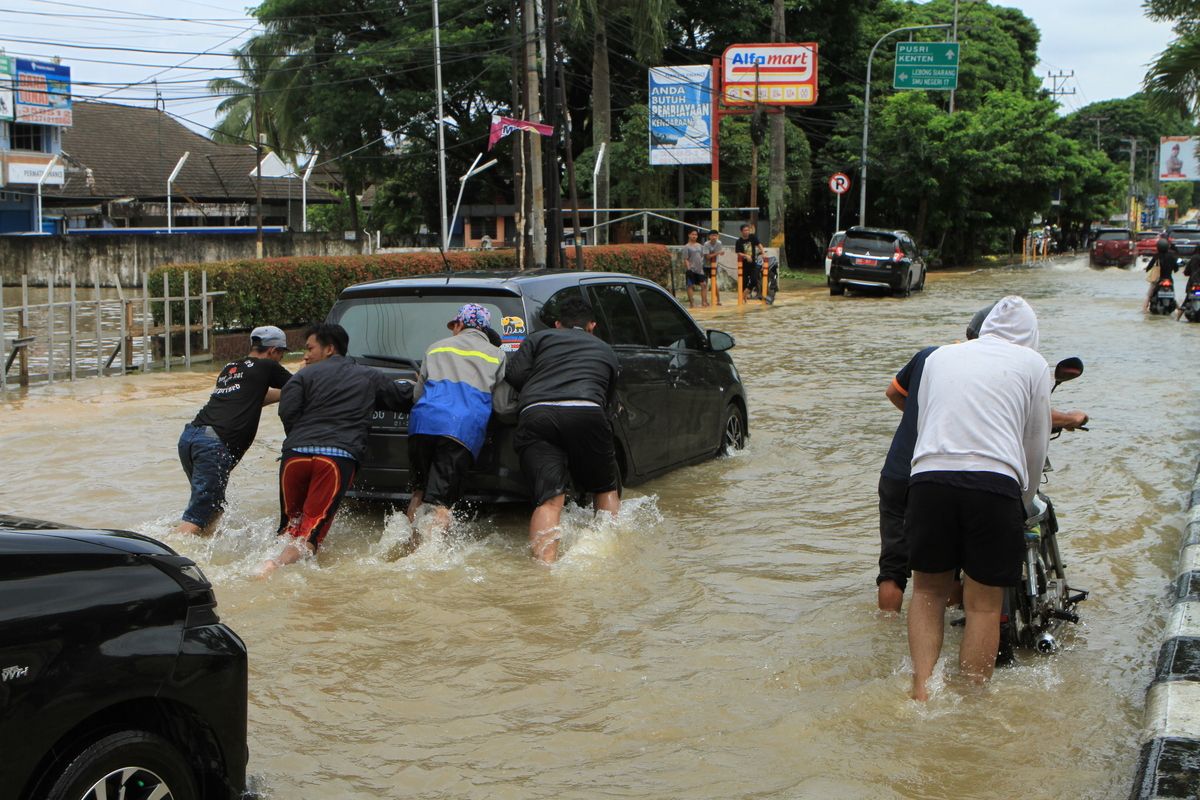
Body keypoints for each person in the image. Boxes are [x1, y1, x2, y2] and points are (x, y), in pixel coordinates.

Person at [876, 304, 1088, 613]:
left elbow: (894, 393)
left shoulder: (934, 358)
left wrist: (926, 418)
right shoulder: (1013, 364)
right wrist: (1070, 418)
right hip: (966, 475)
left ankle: (889, 636)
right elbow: (1031, 419)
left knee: (896, 570)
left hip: (903, 473)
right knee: (967, 577)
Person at [905, 296, 1052, 701]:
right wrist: (1023, 500)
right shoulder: (1032, 364)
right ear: (1030, 336)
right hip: (994, 483)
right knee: (983, 605)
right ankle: (969, 700)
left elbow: (924, 419)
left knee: (928, 592)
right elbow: (1034, 441)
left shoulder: (939, 357)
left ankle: (921, 691)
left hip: (928, 478)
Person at [260, 323, 413, 577]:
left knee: (290, 525)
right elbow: (402, 397)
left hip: (294, 457)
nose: (305, 355)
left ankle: (274, 560)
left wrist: (301, 439)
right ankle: (273, 567)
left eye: (309, 348)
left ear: (330, 348)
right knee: (311, 532)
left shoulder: (301, 377)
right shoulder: (368, 375)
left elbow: (287, 411)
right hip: (335, 459)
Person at [504, 296, 621, 563]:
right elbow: (609, 398)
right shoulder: (605, 350)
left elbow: (515, 374)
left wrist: (543, 383)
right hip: (587, 412)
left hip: (537, 413)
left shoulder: (538, 339)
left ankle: (544, 570)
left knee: (549, 500)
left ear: (558, 324)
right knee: (605, 489)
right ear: (592, 325)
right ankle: (608, 556)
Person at [405, 303, 507, 543]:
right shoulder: (497, 354)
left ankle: (411, 544)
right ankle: (429, 555)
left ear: (460, 324)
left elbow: (417, 395)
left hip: (421, 426)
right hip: (459, 430)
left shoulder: (436, 348)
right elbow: (501, 403)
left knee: (419, 491)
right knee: (442, 502)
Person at [176, 325, 292, 535]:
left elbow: (250, 399)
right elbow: (298, 385)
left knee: (212, 510)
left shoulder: (232, 367)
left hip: (191, 437)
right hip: (213, 445)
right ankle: (164, 554)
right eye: (282, 354)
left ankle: (202, 557)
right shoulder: (267, 366)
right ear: (273, 351)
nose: (281, 359)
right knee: (196, 518)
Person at [1144, 234, 1177, 312]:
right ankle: (1178, 309)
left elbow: (1149, 267)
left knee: (1149, 296)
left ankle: (1144, 311)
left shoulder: (1156, 256)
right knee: (1173, 296)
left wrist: (1147, 269)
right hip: (1169, 279)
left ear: (1158, 247)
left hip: (1158, 280)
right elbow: (1176, 268)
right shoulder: (1171, 256)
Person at [682, 229, 709, 308]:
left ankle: (704, 302)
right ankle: (692, 303)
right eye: (693, 234)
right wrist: (688, 269)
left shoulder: (700, 246)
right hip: (691, 269)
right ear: (689, 235)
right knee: (690, 286)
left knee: (703, 285)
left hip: (699, 270)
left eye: (696, 235)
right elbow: (685, 259)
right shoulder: (686, 247)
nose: (694, 236)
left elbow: (702, 256)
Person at [734, 223, 762, 299]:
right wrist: (746, 256)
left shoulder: (752, 237)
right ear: (741, 231)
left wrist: (763, 252)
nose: (746, 232)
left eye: (747, 230)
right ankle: (743, 300)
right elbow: (738, 252)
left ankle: (746, 293)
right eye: (745, 230)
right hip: (743, 265)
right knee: (744, 281)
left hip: (753, 264)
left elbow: (759, 244)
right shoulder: (739, 241)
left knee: (754, 280)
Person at [702, 229, 723, 305]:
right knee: (705, 283)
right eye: (712, 235)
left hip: (714, 265)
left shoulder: (719, 243)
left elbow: (720, 253)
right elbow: (707, 257)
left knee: (714, 282)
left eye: (715, 235)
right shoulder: (706, 244)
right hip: (705, 265)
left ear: (717, 236)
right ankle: (704, 301)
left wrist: (718, 253)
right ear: (709, 236)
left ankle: (718, 300)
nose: (714, 237)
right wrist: (718, 253)